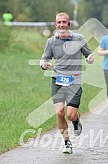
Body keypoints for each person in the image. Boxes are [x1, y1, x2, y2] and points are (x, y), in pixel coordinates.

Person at [40, 12, 94, 154]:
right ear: (55, 24)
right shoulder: (51, 41)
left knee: (70, 115)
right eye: (59, 22)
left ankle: (76, 122)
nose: (62, 25)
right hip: (57, 79)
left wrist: (90, 58)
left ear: (69, 24)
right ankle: (67, 142)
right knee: (59, 113)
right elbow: (44, 58)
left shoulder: (79, 38)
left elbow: (88, 53)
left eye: (64, 22)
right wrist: (43, 64)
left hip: (74, 81)